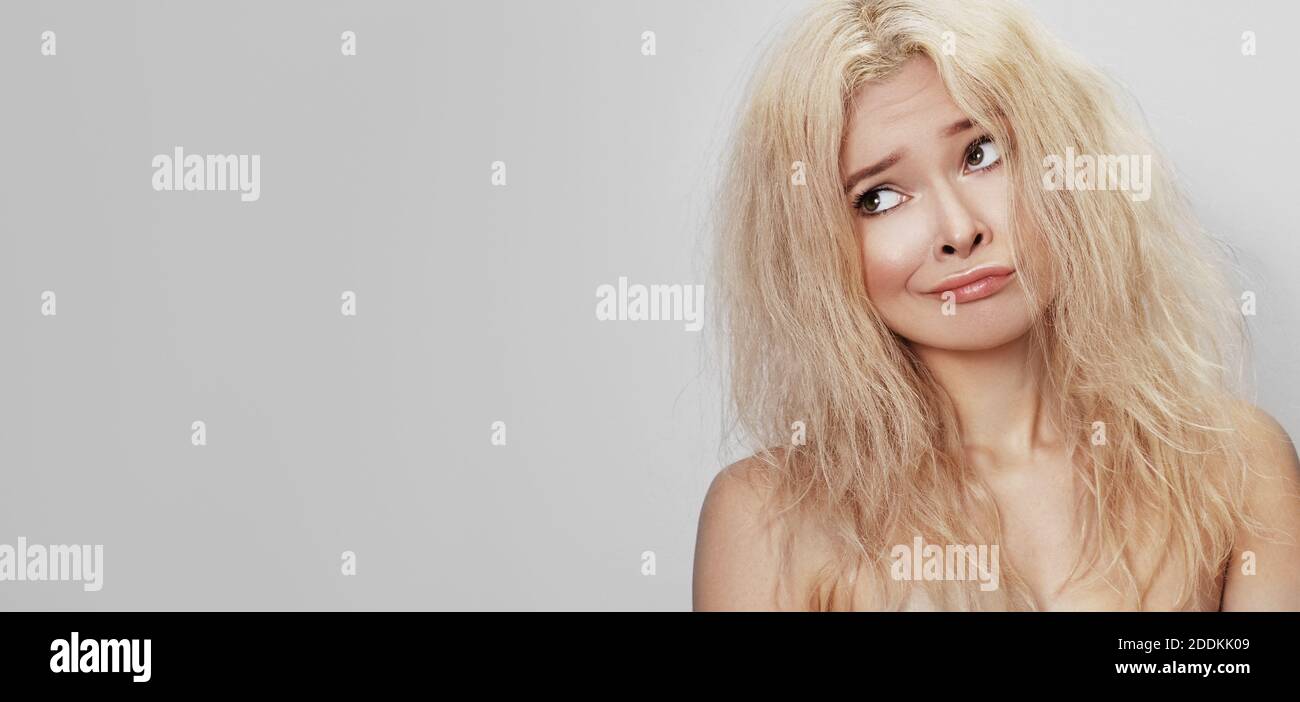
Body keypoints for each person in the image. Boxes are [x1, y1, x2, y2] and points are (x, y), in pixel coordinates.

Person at [694, 0, 1300, 610]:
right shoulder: (765, 520)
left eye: (980, 153)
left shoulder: (1235, 462)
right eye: (878, 197)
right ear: (810, 247)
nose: (959, 229)